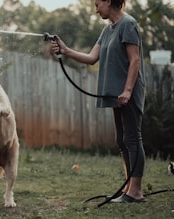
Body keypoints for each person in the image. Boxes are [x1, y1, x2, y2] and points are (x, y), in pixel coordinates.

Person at [50, 0, 146, 203]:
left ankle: (136, 191)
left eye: (97, 4)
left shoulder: (128, 23)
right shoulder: (107, 30)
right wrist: (65, 51)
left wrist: (128, 90)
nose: (95, 9)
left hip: (128, 91)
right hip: (115, 93)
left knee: (131, 138)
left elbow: (135, 59)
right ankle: (129, 187)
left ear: (109, 1)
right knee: (121, 139)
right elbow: (92, 57)